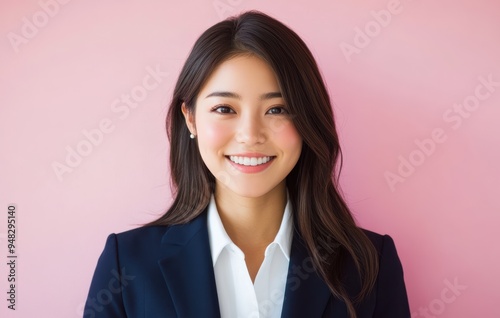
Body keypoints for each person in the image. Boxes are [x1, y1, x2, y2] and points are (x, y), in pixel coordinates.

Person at [84, 10, 410, 318]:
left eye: (277, 109)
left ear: (308, 119)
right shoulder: (126, 264)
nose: (250, 135)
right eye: (225, 109)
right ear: (191, 119)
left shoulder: (371, 264)